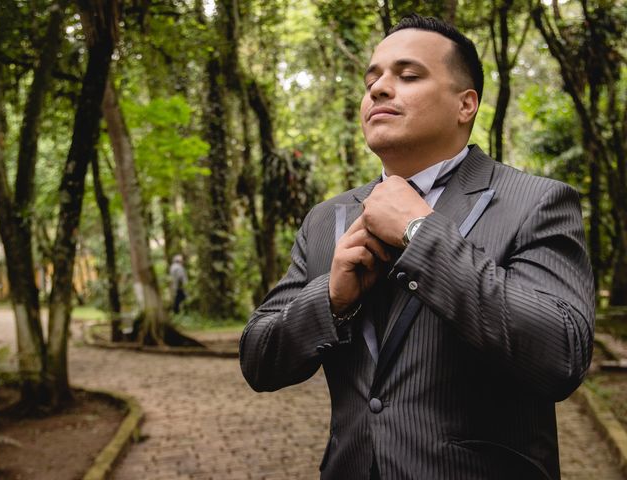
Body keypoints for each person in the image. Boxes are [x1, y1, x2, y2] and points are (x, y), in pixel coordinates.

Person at [240, 13, 594, 480]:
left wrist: (420, 234)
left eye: (407, 76)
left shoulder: (537, 202)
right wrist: (331, 297)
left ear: (465, 104)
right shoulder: (329, 220)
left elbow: (561, 355)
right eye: (373, 79)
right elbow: (259, 361)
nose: (379, 89)